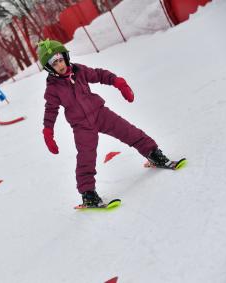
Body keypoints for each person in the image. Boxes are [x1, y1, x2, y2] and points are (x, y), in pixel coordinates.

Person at [37, 39, 173, 207]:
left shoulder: (79, 70)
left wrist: (118, 82)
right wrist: (48, 131)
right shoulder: (53, 88)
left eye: (60, 59)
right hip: (82, 126)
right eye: (54, 63)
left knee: (129, 131)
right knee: (86, 157)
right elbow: (50, 110)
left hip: (100, 113)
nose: (60, 64)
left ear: (65, 57)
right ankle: (88, 194)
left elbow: (99, 74)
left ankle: (153, 154)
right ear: (50, 67)